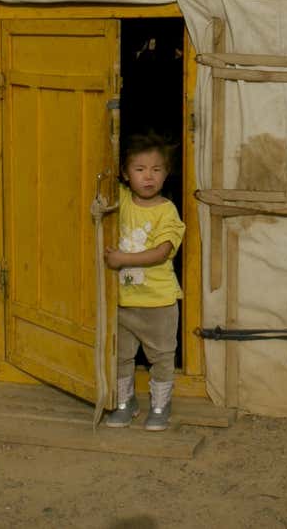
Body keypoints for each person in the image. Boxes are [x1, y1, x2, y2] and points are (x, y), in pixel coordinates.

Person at [101, 133, 185, 430]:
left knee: (161, 357)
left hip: (158, 302)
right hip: (123, 301)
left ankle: (161, 406)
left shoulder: (168, 211)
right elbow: (97, 181)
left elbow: (162, 253)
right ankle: (125, 403)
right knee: (121, 356)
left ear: (166, 173)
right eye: (139, 169)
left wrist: (122, 259)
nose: (148, 176)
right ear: (126, 173)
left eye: (156, 169)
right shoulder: (121, 200)